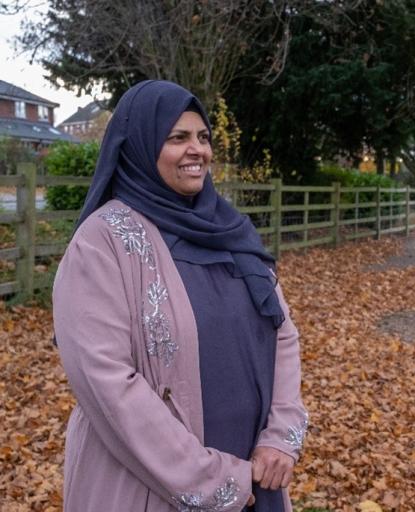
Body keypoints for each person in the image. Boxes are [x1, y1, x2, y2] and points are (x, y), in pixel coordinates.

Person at [52, 80, 307, 511]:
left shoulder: (231, 233)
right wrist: (216, 477)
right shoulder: (103, 243)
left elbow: (282, 335)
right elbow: (107, 380)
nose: (198, 150)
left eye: (203, 137)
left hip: (257, 474)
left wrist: (281, 438)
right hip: (149, 485)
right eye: (177, 138)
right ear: (140, 146)